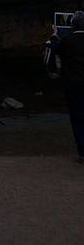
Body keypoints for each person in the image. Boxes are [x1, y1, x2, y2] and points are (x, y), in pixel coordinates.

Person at [53, 10, 84, 162]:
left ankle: (82, 152)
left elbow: (55, 49)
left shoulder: (67, 41)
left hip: (74, 85)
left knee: (77, 118)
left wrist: (55, 35)